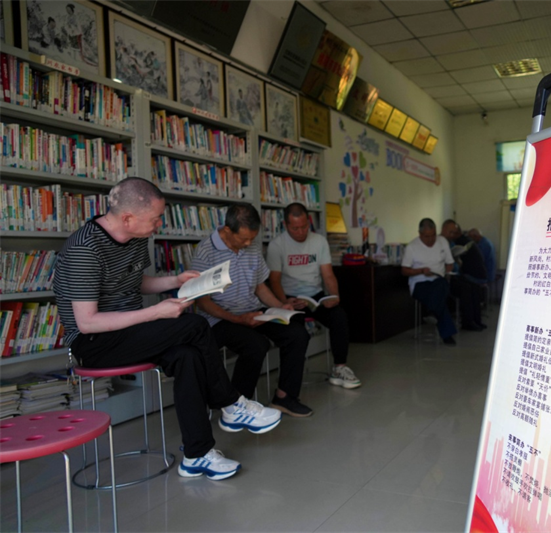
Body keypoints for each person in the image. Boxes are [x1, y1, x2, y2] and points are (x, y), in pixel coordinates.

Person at [53, 177, 280, 482]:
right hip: (94, 342)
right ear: (127, 218)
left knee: (187, 355)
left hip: (132, 332)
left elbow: (136, 282)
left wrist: (175, 281)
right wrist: (155, 312)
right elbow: (87, 322)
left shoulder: (135, 237)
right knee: (196, 325)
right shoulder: (85, 248)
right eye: (156, 218)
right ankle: (231, 404)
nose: (160, 224)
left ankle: (197, 455)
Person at [192, 204, 314, 417]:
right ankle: (236, 406)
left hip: (253, 312)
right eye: (244, 239)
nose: (248, 243)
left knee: (297, 334)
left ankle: (284, 397)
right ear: (228, 230)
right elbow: (202, 302)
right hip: (219, 319)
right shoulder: (205, 251)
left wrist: (280, 306)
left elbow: (260, 287)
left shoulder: (252, 246)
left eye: (252, 238)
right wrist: (238, 319)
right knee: (256, 344)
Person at [267, 203, 362, 389]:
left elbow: (328, 275)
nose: (301, 232)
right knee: (295, 331)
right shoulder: (276, 245)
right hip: (290, 298)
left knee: (339, 317)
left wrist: (334, 296)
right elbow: (274, 280)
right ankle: (289, 376)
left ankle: (340, 368)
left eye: (304, 226)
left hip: (315, 297)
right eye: (295, 228)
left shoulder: (319, 241)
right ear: (286, 225)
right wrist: (284, 301)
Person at [401, 218, 457, 345]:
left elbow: (449, 263)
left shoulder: (442, 241)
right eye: (427, 236)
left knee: (441, 284)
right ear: (420, 234)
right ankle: (446, 333)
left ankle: (432, 312)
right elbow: (404, 271)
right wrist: (421, 271)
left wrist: (447, 273)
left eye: (433, 235)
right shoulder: (412, 247)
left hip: (439, 280)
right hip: (420, 283)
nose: (431, 239)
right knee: (439, 297)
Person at [442, 220, 487, 331]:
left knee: (474, 288)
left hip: (457, 274)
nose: (452, 235)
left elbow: (457, 264)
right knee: (466, 288)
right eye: (451, 232)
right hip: (447, 277)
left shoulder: (453, 243)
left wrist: (457, 260)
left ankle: (475, 320)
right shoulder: (439, 243)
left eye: (454, 232)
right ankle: (467, 322)